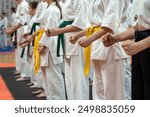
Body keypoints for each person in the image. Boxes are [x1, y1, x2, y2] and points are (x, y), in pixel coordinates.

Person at [70, 0, 129, 100]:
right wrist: (78, 35)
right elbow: (95, 24)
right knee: (99, 90)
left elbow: (110, 24)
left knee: (113, 93)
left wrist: (89, 39)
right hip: (98, 45)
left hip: (111, 41)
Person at [102, 0, 150, 100]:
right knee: (139, 94)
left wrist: (138, 46)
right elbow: (138, 28)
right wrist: (115, 39)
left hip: (143, 45)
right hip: (140, 46)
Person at [46, 0, 90, 100]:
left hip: (78, 40)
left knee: (79, 80)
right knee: (70, 81)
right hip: (68, 41)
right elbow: (66, 20)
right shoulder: (67, 2)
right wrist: (55, 29)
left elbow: (81, 23)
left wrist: (59, 30)